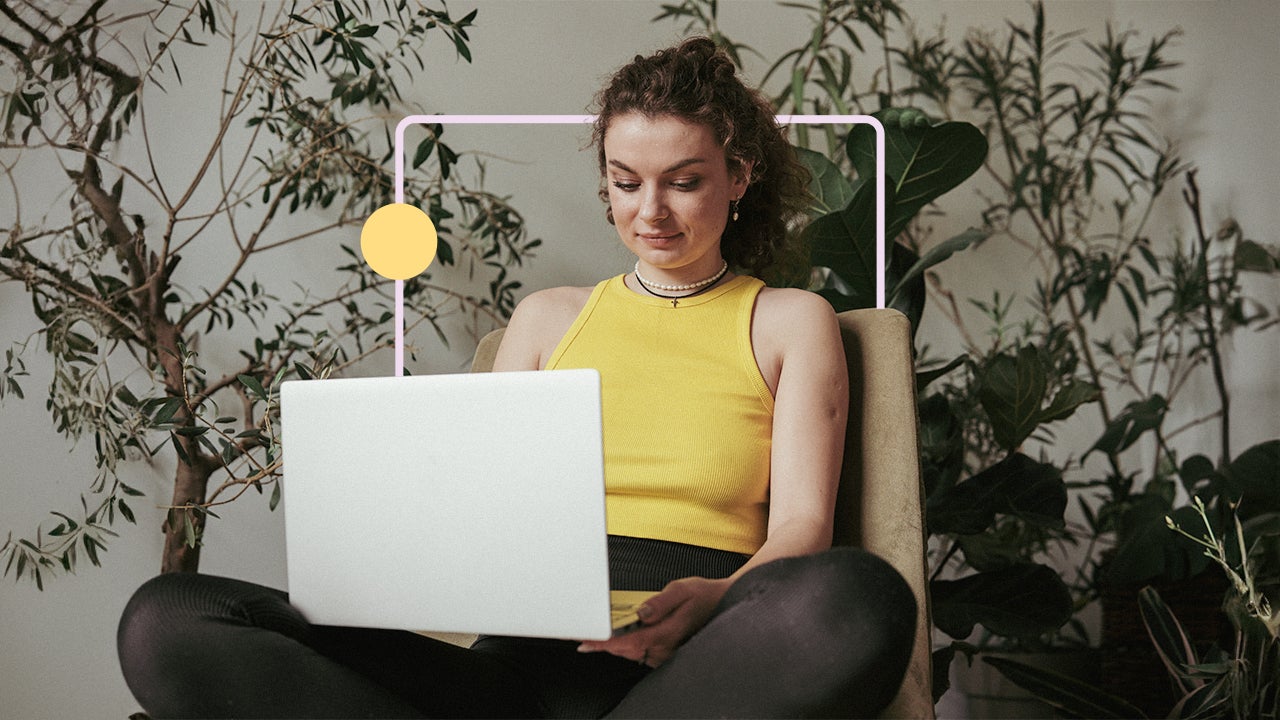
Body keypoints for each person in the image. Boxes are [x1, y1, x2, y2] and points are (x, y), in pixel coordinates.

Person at [117, 37, 916, 719]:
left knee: (860, 601)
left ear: (738, 176)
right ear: (604, 180)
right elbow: (475, 516)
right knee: (169, 617)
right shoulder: (547, 318)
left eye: (684, 179)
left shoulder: (786, 320)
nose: (650, 212)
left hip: (689, 665)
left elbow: (802, 531)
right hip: (507, 677)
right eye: (626, 180)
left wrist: (714, 602)